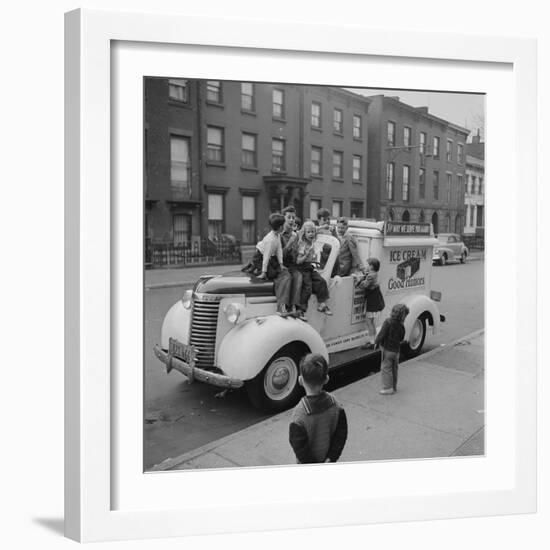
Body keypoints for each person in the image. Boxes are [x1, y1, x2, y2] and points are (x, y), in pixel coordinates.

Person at [288, 353, 348, 464]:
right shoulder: (336, 405)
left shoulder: (299, 415)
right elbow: (341, 435)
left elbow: (299, 447)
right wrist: (331, 458)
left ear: (300, 380)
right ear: (326, 379)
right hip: (328, 461)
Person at [243, 213, 292, 314]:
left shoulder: (277, 235)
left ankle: (282, 304)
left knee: (283, 273)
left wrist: (281, 264)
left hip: (270, 257)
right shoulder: (270, 239)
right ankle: (257, 269)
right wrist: (264, 272)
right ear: (279, 227)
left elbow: (279, 250)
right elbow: (266, 257)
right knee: (273, 274)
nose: (284, 226)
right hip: (260, 258)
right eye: (283, 225)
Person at [296, 221, 332, 315]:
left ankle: (321, 303)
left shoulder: (311, 241)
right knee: (307, 287)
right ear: (304, 233)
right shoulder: (303, 245)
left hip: (310, 267)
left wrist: (323, 226)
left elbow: (316, 229)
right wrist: (306, 255)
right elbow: (298, 261)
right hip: (302, 268)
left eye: (312, 232)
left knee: (321, 281)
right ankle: (301, 309)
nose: (311, 234)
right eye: (308, 232)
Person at [375, 303, 409, 395]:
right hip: (396, 351)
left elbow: (382, 334)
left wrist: (376, 342)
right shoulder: (402, 325)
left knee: (386, 369)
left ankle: (387, 388)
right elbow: (401, 338)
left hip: (387, 350)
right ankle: (394, 386)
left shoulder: (388, 322)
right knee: (394, 369)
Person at [279, 205, 302, 314]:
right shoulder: (279, 234)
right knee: (287, 277)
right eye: (289, 217)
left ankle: (293, 306)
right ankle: (282, 305)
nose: (292, 220)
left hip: (291, 265)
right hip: (280, 264)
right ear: (284, 219)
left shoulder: (295, 235)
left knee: (298, 276)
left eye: (293, 217)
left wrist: (297, 249)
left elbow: (295, 256)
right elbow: (280, 255)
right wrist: (289, 244)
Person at [358, 257, 385, 349]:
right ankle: (374, 342)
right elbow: (367, 276)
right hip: (375, 300)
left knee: (369, 322)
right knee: (372, 322)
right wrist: (363, 272)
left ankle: (372, 343)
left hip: (372, 301)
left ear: (372, 266)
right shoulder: (374, 274)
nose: (368, 266)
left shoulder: (371, 276)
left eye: (369, 265)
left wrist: (356, 280)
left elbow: (364, 285)